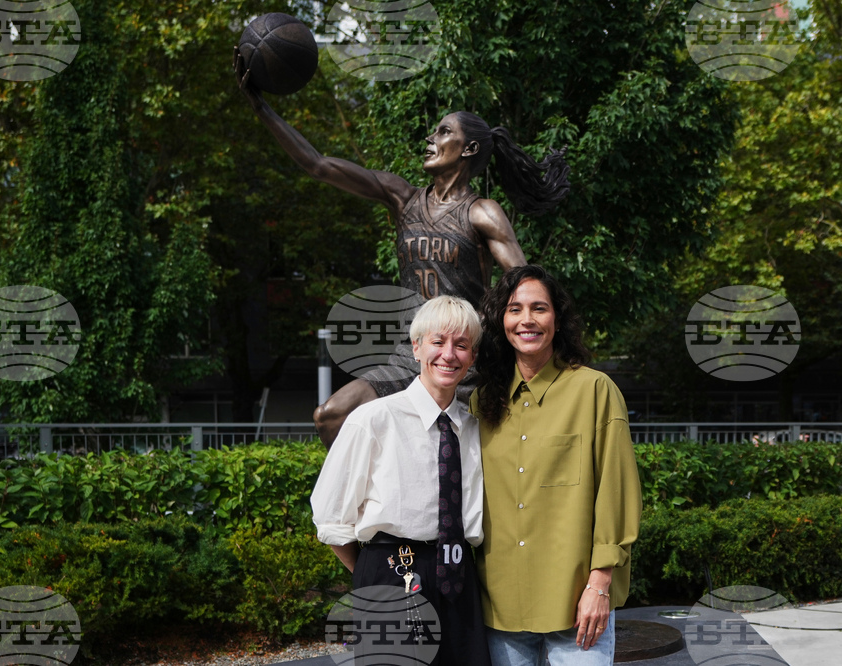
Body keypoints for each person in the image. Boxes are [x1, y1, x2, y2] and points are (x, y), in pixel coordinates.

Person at [234, 48, 570, 446]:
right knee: (331, 416)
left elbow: (525, 290)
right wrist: (261, 107)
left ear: (469, 149)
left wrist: (525, 356)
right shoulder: (402, 198)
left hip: (463, 356)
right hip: (410, 354)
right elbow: (318, 165)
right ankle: (367, 506)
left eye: (444, 132)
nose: (431, 138)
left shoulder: (482, 213)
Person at [471, 265, 642, 666]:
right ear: (501, 320)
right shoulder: (483, 403)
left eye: (539, 308)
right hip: (500, 605)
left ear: (558, 319)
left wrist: (600, 583)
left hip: (577, 604)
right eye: (514, 309)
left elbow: (616, 493)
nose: (526, 320)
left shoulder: (595, 390)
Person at [311, 295, 490, 666]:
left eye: (461, 345)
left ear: (472, 357)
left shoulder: (473, 428)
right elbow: (330, 517)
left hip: (460, 575)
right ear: (417, 347)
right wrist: (374, 572)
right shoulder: (373, 419)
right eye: (438, 342)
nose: (449, 355)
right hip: (391, 569)